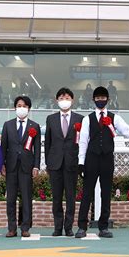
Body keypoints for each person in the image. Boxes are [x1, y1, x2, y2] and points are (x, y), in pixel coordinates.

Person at [75, 86, 129, 238]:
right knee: (86, 194)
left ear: (108, 100)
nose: (100, 101)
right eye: (97, 98)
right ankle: (82, 227)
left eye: (103, 98)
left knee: (106, 193)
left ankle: (103, 227)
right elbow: (83, 142)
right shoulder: (87, 119)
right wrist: (81, 162)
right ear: (93, 100)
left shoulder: (115, 118)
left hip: (107, 159)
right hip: (91, 159)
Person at [45, 87, 84, 237]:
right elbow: (48, 142)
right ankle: (57, 227)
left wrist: (81, 162)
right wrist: (48, 163)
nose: (64, 101)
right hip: (55, 163)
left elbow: (82, 142)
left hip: (72, 163)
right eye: (61, 98)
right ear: (57, 101)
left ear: (72, 100)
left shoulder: (80, 119)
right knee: (56, 197)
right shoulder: (51, 119)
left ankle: (68, 227)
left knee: (70, 197)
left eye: (67, 98)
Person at [1, 96, 41, 238]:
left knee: (26, 198)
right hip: (11, 166)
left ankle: (25, 227)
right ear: (14, 108)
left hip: (27, 166)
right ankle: (11, 228)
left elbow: (36, 149)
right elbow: (3, 147)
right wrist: (2, 165)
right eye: (19, 105)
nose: (21, 108)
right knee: (10, 199)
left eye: (24, 106)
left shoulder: (34, 126)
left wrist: (36, 166)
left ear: (28, 108)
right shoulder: (7, 125)